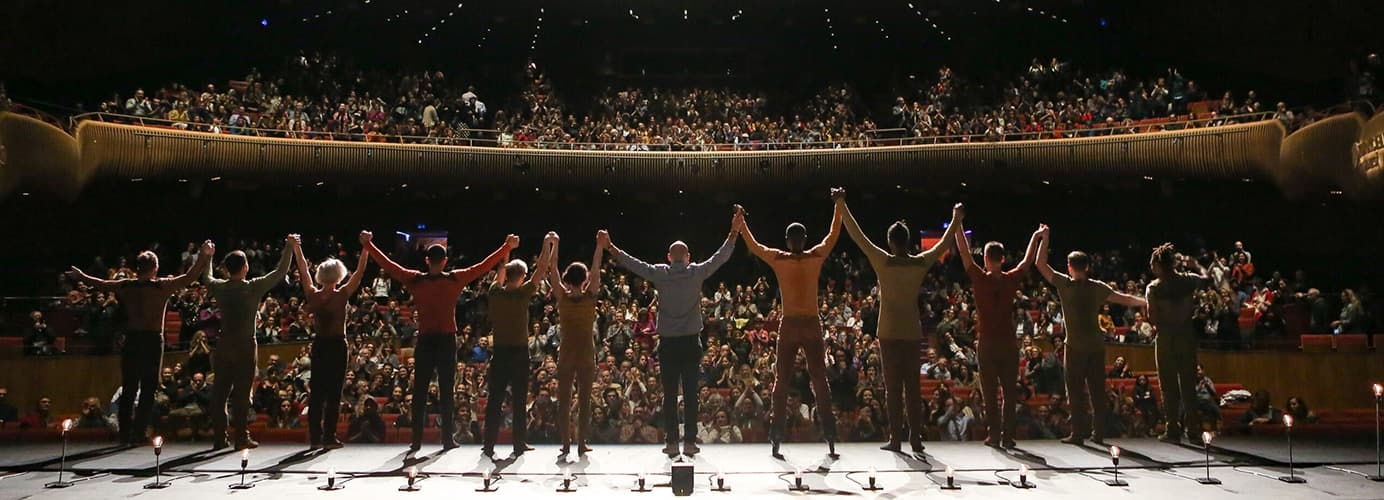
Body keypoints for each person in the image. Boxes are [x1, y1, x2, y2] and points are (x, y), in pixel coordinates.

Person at [362, 230, 517, 451]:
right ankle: (446, 440)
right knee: (446, 391)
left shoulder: (415, 278)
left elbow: (388, 265)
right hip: (446, 340)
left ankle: (416, 441)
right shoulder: (454, 278)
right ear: (445, 261)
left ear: (426, 260)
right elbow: (483, 266)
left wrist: (368, 245)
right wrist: (506, 247)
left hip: (426, 340)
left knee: (420, 392)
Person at [602, 208, 739, 457]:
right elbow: (721, 257)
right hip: (690, 344)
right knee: (690, 393)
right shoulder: (697, 272)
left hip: (667, 344)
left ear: (668, 257)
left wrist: (611, 247)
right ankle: (689, 443)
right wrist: (734, 231)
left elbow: (633, 264)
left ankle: (672, 443)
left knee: (668, 395)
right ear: (687, 257)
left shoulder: (660, 273)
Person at [840, 196, 963, 454]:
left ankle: (896, 439)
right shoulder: (919, 263)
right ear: (907, 241)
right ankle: (915, 439)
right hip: (910, 330)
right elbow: (943, 244)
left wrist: (841, 204)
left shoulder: (883, 261)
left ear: (889, 241)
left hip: (888, 332)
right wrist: (956, 218)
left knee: (893, 390)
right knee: (913, 390)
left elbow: (858, 236)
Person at [67, 241, 215, 445]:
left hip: (133, 338)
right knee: (147, 389)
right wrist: (204, 255)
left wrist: (81, 276)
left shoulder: (126, 285)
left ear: (138, 268)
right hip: (153, 339)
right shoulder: (161, 285)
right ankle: (138, 434)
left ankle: (125, 435)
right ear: (155, 268)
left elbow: (101, 283)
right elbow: (190, 277)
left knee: (129, 389)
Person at [739, 188, 845, 459]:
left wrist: (839, 205)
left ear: (799, 239)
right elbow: (754, 248)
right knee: (785, 381)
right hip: (796, 323)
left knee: (814, 380)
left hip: (807, 323)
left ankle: (827, 434)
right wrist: (741, 224)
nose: (796, 241)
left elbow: (833, 236)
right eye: (794, 238)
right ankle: (779, 434)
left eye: (799, 238)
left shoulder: (807, 256)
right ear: (789, 240)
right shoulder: (789, 258)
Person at [1036, 228, 1147, 445]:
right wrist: (1145, 301)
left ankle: (1078, 434)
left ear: (1069, 267)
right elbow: (1123, 298)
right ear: (1087, 267)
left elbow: (1040, 264)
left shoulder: (1064, 283)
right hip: (1096, 346)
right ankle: (1098, 435)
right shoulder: (1097, 287)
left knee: (1075, 393)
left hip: (1075, 347)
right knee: (1097, 392)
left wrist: (1045, 237)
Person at [954, 219, 1042, 449]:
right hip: (1008, 344)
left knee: (990, 393)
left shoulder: (979, 278)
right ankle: (1008, 437)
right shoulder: (1011, 279)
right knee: (1009, 393)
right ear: (1003, 259)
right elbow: (1027, 260)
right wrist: (1037, 234)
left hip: (987, 345)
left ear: (985, 258)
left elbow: (964, 253)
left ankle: (994, 436)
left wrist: (957, 225)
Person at [203, 236, 296, 450]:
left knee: (220, 392)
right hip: (245, 345)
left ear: (226, 269)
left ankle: (219, 438)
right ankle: (241, 439)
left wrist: (207, 256)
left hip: (224, 344)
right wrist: (289, 247)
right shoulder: (252, 287)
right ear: (245, 267)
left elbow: (206, 276)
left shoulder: (220, 287)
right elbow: (280, 272)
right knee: (242, 394)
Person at [481, 233, 555, 458]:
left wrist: (508, 248)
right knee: (520, 398)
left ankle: (489, 445)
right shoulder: (523, 294)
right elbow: (541, 269)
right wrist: (546, 244)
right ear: (522, 276)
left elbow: (501, 270)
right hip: (519, 353)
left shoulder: (494, 292)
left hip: (500, 352)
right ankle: (518, 444)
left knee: (494, 399)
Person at [293, 241, 370, 450]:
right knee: (334, 394)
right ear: (339, 274)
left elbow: (302, 268)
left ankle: (315, 438)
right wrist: (366, 247)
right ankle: (329, 436)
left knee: (316, 393)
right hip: (336, 345)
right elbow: (360, 272)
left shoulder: (312, 293)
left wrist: (297, 247)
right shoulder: (342, 294)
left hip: (320, 345)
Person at [547, 232, 605, 456]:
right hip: (586, 353)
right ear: (584, 279)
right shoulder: (590, 297)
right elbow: (597, 268)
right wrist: (599, 246)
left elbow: (552, 271)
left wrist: (556, 245)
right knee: (584, 400)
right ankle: (581, 443)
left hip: (567, 354)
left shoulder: (562, 297)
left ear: (567, 278)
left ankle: (565, 443)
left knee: (564, 400)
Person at [1145, 243, 1206, 444]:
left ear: (1159, 265)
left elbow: (1152, 317)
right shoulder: (1190, 281)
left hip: (1165, 337)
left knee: (1168, 385)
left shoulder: (1154, 288)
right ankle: (1193, 430)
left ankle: (1172, 428)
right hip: (1186, 335)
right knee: (1188, 384)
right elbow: (1209, 279)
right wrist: (1197, 265)